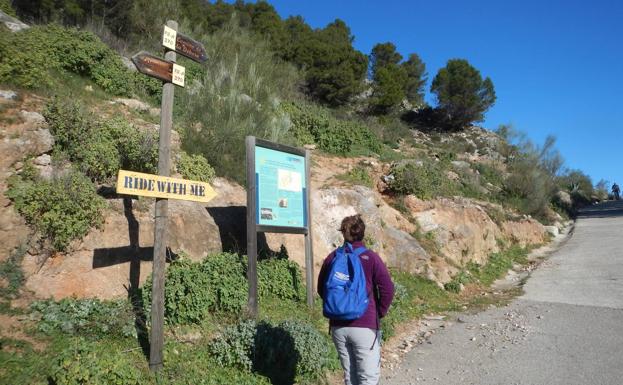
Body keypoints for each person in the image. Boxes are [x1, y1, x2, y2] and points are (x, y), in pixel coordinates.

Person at [318, 214, 394, 385]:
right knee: (367, 377)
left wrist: (338, 308)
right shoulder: (371, 258)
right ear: (362, 233)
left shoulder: (332, 258)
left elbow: (322, 289)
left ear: (343, 233)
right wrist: (378, 313)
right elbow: (387, 289)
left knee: (350, 376)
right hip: (365, 324)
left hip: (338, 326)